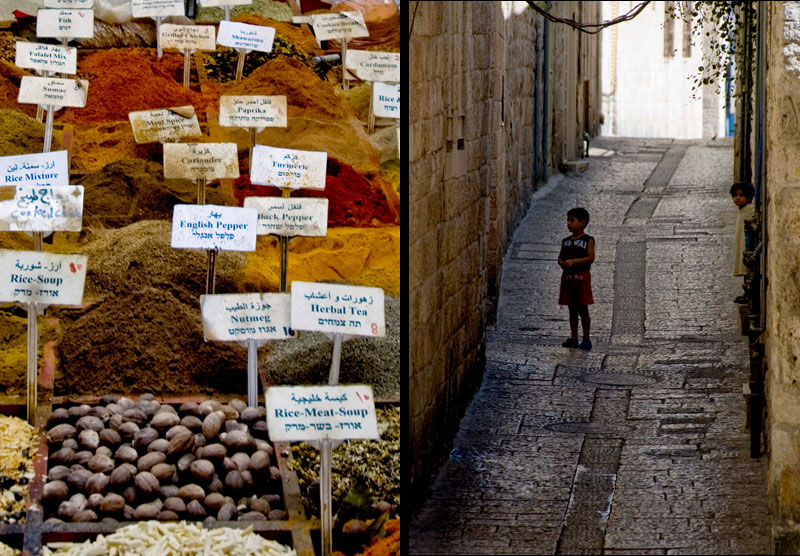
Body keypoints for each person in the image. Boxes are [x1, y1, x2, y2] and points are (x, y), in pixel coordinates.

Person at [558, 208, 595, 350]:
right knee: (572, 309)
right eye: (568, 220)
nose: (568, 224)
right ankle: (574, 337)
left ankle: (586, 338)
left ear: (582, 223)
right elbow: (560, 256)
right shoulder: (566, 241)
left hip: (582, 278)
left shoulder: (588, 240)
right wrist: (562, 262)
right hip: (568, 278)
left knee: (583, 308)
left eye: (572, 220)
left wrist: (574, 261)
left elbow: (591, 257)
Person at [730, 182, 755, 304]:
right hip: (742, 244)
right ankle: (747, 294)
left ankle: (749, 295)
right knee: (745, 268)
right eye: (735, 195)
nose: (737, 198)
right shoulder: (742, 210)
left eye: (741, 195)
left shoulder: (750, 210)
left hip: (748, 245)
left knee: (748, 269)